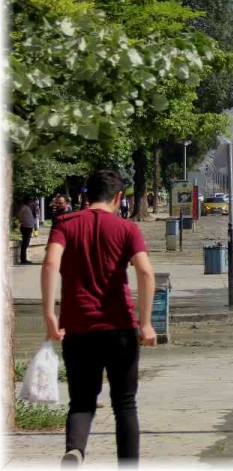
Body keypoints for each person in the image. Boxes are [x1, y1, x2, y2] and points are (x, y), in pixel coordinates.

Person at [42, 170, 157, 465]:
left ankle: (75, 450)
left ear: (85, 195)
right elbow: (145, 272)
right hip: (119, 327)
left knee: (81, 400)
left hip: (78, 327)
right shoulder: (126, 228)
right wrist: (145, 323)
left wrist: (49, 315)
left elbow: (50, 263)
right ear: (118, 197)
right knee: (125, 404)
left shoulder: (64, 224)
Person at [17, 198, 37, 264]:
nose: (31, 202)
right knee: (25, 244)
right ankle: (23, 260)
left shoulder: (27, 207)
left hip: (28, 227)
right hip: (26, 227)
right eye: (30, 200)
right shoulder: (23, 207)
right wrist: (22, 221)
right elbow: (19, 214)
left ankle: (24, 259)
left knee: (26, 244)